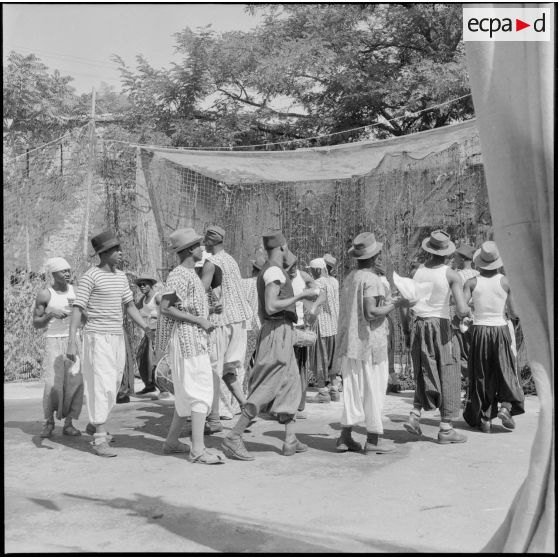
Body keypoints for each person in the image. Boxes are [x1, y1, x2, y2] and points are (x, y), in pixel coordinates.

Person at [221, 231, 318, 460]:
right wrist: (302, 295)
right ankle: (234, 435)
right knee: (267, 385)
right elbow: (272, 306)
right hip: (276, 332)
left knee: (291, 385)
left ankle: (290, 439)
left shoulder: (273, 270)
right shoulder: (274, 272)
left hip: (282, 331)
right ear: (282, 247)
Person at [66, 231, 154, 457]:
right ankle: (99, 438)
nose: (120, 253)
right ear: (103, 254)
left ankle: (96, 423)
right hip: (97, 337)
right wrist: (72, 342)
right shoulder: (90, 277)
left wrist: (146, 327)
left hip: (117, 336)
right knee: (100, 385)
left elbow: (130, 306)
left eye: (119, 249)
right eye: (116, 250)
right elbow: (77, 309)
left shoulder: (121, 277)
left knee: (115, 384)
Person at [335, 232, 408, 454]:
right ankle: (373, 441)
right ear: (375, 257)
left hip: (352, 344)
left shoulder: (350, 278)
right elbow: (371, 312)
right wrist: (396, 303)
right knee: (373, 391)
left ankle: (344, 437)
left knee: (353, 391)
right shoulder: (373, 280)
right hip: (371, 345)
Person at [156, 228, 224, 464]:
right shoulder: (178, 274)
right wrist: (199, 320)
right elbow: (166, 307)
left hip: (192, 338)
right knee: (200, 392)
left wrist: (207, 312)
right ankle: (197, 449)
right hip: (188, 340)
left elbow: (185, 305)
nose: (202, 248)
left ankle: (171, 442)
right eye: (198, 245)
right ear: (188, 250)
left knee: (187, 395)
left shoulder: (189, 274)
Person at [400, 230, 472, 445]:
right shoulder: (452, 274)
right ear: (448, 253)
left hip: (419, 325)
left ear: (428, 249)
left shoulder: (417, 272)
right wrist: (467, 313)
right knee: (448, 370)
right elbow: (460, 308)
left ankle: (415, 414)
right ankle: (446, 429)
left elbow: (406, 305)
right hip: (441, 326)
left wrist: (406, 330)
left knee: (425, 369)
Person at [462, 241, 525, 432]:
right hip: (500, 330)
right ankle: (506, 407)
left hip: (479, 331)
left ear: (480, 262)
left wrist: (472, 311)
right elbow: (514, 312)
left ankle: (485, 419)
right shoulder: (506, 281)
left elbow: (462, 309)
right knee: (505, 371)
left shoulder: (471, 282)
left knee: (482, 375)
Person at [201, 225, 253, 432]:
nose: (204, 243)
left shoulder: (211, 262)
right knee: (228, 370)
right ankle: (247, 408)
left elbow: (201, 291)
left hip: (222, 321)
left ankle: (213, 420)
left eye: (205, 239)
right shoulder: (231, 260)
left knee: (213, 370)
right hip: (240, 320)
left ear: (211, 241)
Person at [33, 257, 83, 438]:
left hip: (74, 340)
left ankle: (69, 424)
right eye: (63, 271)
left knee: (75, 382)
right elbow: (36, 323)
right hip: (53, 340)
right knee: (52, 383)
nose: (68, 274)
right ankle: (49, 422)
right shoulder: (45, 294)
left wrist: (81, 315)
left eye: (69, 270)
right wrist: (51, 314)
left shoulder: (76, 291)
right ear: (53, 274)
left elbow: (84, 318)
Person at [284, 251, 323, 416]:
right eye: (288, 267)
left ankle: (299, 405)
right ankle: (284, 404)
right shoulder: (280, 279)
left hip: (299, 327)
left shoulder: (304, 276)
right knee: (285, 367)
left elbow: (321, 293)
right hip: (285, 327)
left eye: (293, 266)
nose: (292, 270)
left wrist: (313, 310)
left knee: (299, 367)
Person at [307, 258, 340, 401]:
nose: (311, 273)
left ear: (318, 270)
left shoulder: (318, 283)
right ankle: (334, 389)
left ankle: (322, 392)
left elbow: (313, 304)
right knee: (332, 357)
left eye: (312, 270)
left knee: (319, 357)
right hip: (334, 325)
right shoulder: (334, 282)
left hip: (321, 324)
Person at [451, 244, 479, 383]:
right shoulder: (478, 275)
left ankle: (470, 387)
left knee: (463, 357)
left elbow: (452, 299)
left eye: (455, 257)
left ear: (462, 259)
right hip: (479, 321)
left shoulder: (457, 276)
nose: (453, 260)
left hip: (461, 321)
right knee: (477, 355)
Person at [133, 275, 163, 395]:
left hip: (157, 332)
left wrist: (154, 316)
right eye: (140, 285)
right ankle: (149, 385)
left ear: (150, 284)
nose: (142, 287)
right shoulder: (143, 299)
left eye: (144, 284)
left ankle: (163, 388)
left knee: (155, 360)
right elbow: (134, 308)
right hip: (148, 331)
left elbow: (167, 312)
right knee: (141, 357)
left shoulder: (158, 297)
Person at [374, 261, 400, 393]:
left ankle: (386, 382)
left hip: (379, 319)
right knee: (389, 350)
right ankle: (393, 380)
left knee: (382, 351)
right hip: (386, 318)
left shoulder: (378, 282)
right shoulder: (385, 282)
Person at [242, 254, 266, 391]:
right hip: (262, 327)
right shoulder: (266, 286)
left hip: (248, 327)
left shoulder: (244, 283)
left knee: (245, 362)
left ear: (253, 269)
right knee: (259, 362)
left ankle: (245, 390)